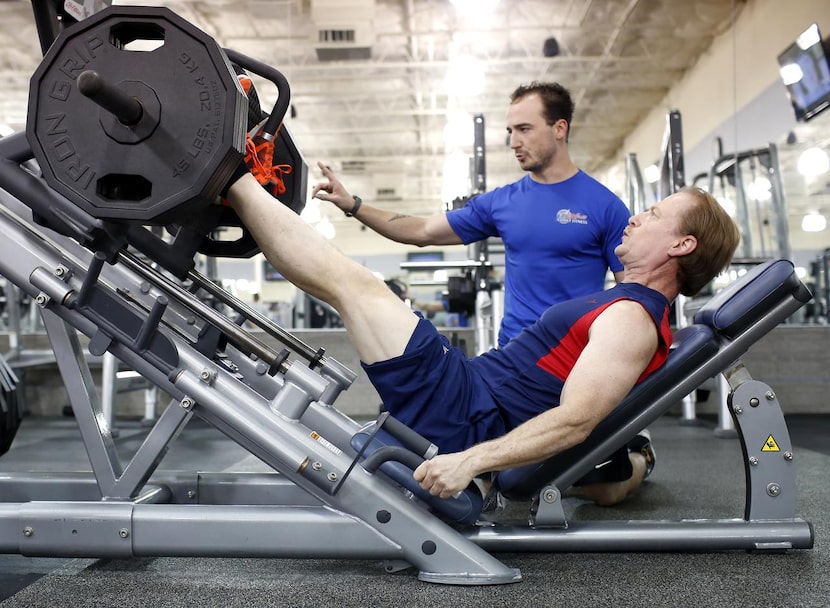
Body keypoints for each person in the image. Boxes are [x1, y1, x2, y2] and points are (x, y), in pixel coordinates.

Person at [223, 160, 740, 506]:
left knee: (354, 285)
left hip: (467, 411)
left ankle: (230, 177)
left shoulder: (632, 319)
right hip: (470, 392)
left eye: (654, 215)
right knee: (353, 288)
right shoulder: (625, 304)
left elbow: (575, 423)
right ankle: (234, 182)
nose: (635, 219)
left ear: (681, 245)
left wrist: (470, 461)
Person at [311, 82, 631, 348]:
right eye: (510, 130)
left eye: (524, 129)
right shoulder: (502, 203)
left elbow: (631, 296)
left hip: (576, 356)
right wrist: (353, 204)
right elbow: (422, 231)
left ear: (559, 128)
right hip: (514, 355)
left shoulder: (605, 206)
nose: (513, 142)